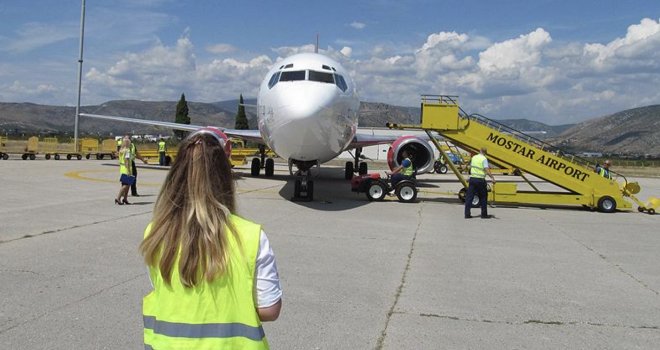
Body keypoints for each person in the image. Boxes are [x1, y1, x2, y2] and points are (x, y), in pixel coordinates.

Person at [140, 128, 282, 349]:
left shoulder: (156, 232)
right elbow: (270, 310)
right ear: (225, 176)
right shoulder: (251, 237)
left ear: (176, 176)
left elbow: (165, 290)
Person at [465, 147, 496, 219]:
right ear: (485, 152)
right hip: (480, 180)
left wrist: (469, 177)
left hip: (472, 179)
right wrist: (492, 178)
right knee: (483, 197)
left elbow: (470, 167)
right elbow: (486, 169)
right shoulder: (484, 159)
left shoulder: (474, 157)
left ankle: (467, 214)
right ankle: (484, 215)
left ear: (479, 151)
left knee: (469, 197)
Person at [115, 137, 133, 205]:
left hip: (122, 168)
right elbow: (127, 161)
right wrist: (128, 170)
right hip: (126, 168)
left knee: (127, 184)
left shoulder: (121, 150)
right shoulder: (127, 150)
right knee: (125, 185)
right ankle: (118, 198)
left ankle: (125, 198)